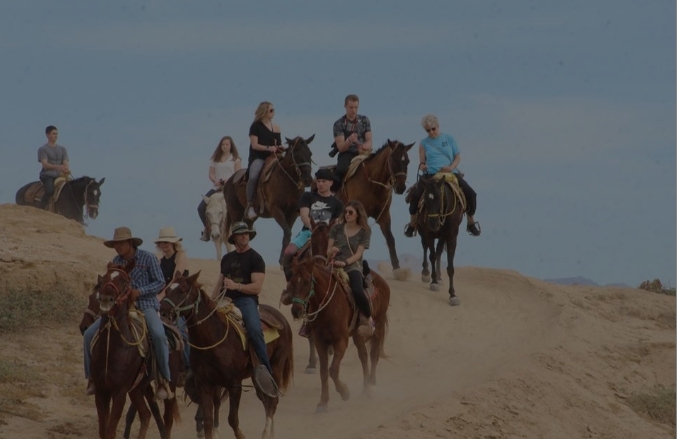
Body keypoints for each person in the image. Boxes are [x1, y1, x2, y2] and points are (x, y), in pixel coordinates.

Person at [83, 227, 173, 400]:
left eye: (121, 243)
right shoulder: (116, 261)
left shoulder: (148, 258)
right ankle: (92, 377)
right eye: (115, 244)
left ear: (130, 243)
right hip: (120, 308)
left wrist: (139, 292)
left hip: (145, 305)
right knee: (88, 335)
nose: (117, 247)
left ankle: (163, 379)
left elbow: (160, 282)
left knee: (159, 335)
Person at [210, 222, 277, 394]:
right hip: (224, 300)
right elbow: (219, 284)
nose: (244, 236)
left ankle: (265, 371)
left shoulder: (255, 258)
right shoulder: (227, 258)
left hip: (246, 301)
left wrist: (236, 286)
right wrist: (210, 303)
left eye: (246, 233)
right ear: (234, 238)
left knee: (254, 329)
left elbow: (256, 287)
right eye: (241, 234)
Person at [404, 114, 481, 238]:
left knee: (471, 193)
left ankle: (471, 221)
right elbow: (422, 162)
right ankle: (412, 223)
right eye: (428, 130)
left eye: (433, 129)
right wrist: (423, 166)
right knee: (415, 195)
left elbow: (457, 157)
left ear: (438, 126)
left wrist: (450, 167)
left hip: (450, 173)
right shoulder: (423, 143)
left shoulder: (449, 139)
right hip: (431, 175)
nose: (431, 132)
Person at [281, 168, 344, 287]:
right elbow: (304, 215)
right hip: (308, 232)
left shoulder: (337, 203)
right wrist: (312, 228)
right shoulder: (308, 196)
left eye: (323, 181)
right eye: (318, 181)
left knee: (342, 258)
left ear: (331, 183)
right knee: (288, 252)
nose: (320, 184)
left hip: (328, 236)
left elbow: (338, 222)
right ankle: (291, 284)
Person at [327, 200, 374, 337]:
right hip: (333, 264)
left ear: (358, 214)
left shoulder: (365, 231)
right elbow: (328, 251)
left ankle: (368, 319)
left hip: (353, 266)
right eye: (345, 212)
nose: (347, 214)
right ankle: (309, 321)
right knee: (314, 285)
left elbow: (359, 254)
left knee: (357, 290)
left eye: (350, 212)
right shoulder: (336, 228)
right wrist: (332, 252)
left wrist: (345, 262)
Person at [154, 226, 191, 374]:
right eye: (161, 242)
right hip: (166, 301)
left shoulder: (180, 256)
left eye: (166, 242)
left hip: (181, 299)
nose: (163, 245)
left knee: (181, 330)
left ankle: (188, 366)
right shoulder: (160, 261)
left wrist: (160, 296)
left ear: (173, 243)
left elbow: (176, 280)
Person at [198, 136, 242, 241]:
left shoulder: (235, 159)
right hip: (216, 188)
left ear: (231, 146)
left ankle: (242, 229)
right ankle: (207, 229)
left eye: (227, 144)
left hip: (230, 189)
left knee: (241, 206)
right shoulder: (215, 159)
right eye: (223, 144)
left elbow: (238, 174)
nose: (224, 146)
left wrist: (228, 180)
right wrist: (215, 180)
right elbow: (211, 174)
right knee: (201, 208)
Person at [246, 102, 283, 220]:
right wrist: (269, 148)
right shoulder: (255, 126)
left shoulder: (276, 127)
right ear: (264, 111)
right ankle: (250, 204)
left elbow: (278, 144)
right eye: (271, 110)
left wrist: (280, 148)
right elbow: (254, 145)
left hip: (273, 157)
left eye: (273, 110)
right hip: (259, 157)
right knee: (253, 176)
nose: (273, 112)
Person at [331, 94, 372, 192]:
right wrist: (349, 140)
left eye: (356, 107)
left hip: (364, 153)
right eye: (351, 107)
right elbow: (341, 148)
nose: (354, 110)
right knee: (341, 170)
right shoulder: (339, 124)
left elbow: (369, 140)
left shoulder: (364, 120)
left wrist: (365, 146)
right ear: (345, 106)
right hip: (347, 153)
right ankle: (334, 193)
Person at [37, 125, 70, 209]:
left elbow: (65, 162)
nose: (56, 136)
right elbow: (45, 165)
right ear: (47, 135)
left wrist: (66, 168)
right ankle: (41, 208)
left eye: (57, 134)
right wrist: (59, 167)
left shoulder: (62, 149)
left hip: (61, 175)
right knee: (50, 190)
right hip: (48, 175)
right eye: (53, 134)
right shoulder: (43, 149)